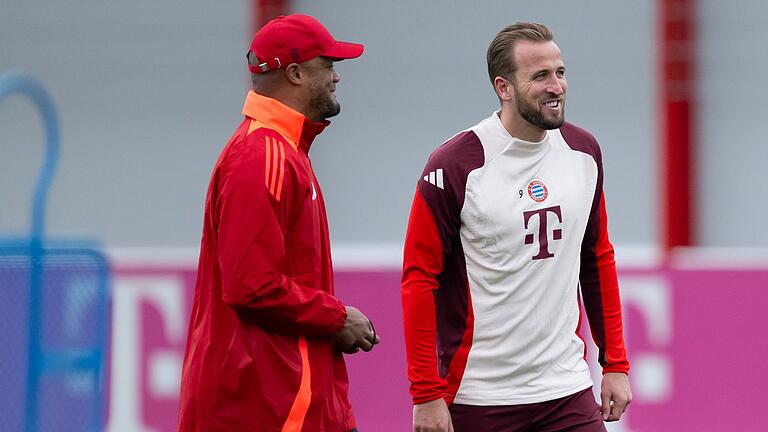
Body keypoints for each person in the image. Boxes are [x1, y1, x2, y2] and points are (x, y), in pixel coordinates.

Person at [401, 22, 632, 432]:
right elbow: (420, 280)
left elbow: (596, 258)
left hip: (566, 391)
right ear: (503, 87)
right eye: (540, 76)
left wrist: (614, 362)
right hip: (480, 397)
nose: (556, 86)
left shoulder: (584, 152)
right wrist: (426, 392)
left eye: (560, 72)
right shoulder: (454, 166)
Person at [177, 14, 379, 432]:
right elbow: (251, 284)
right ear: (296, 73)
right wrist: (337, 318)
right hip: (265, 404)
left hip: (285, 398)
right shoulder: (263, 156)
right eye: (329, 65)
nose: (337, 77)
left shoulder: (281, 151)